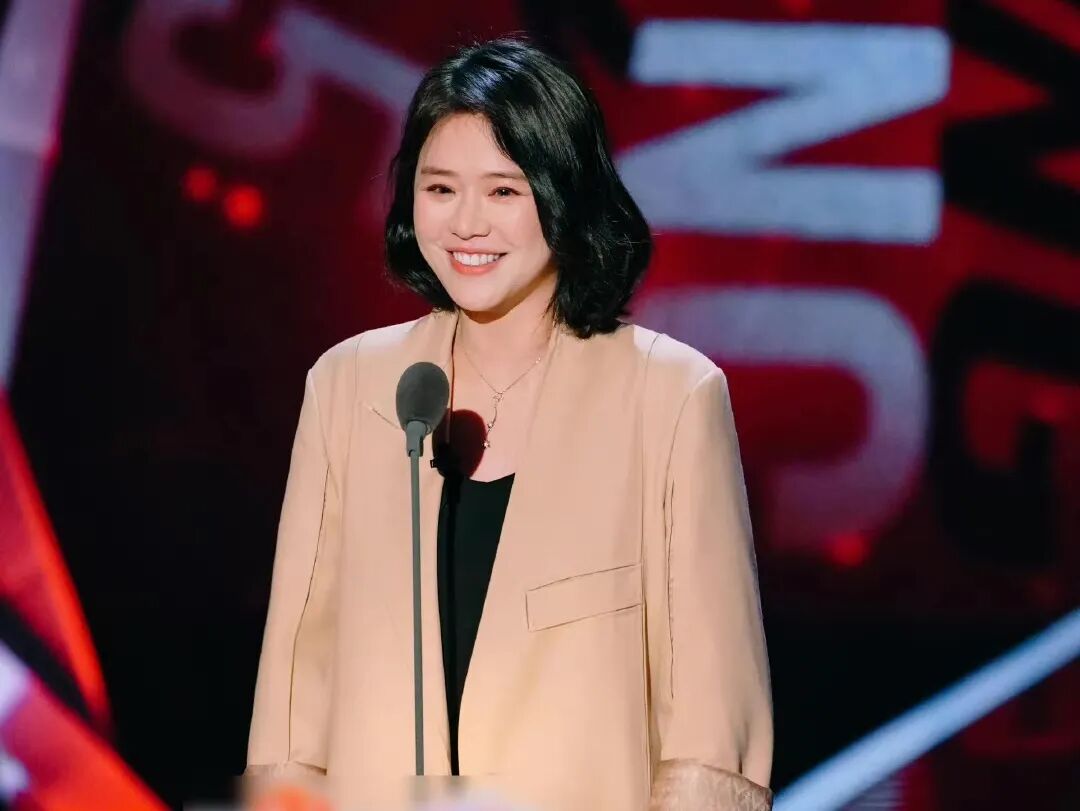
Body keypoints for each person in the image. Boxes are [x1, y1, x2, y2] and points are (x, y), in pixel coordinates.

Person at [245, 36, 773, 811]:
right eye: (440, 188)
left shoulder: (670, 397)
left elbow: (710, 731)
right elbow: (295, 700)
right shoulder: (348, 387)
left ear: (564, 196)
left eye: (503, 190)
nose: (467, 223)